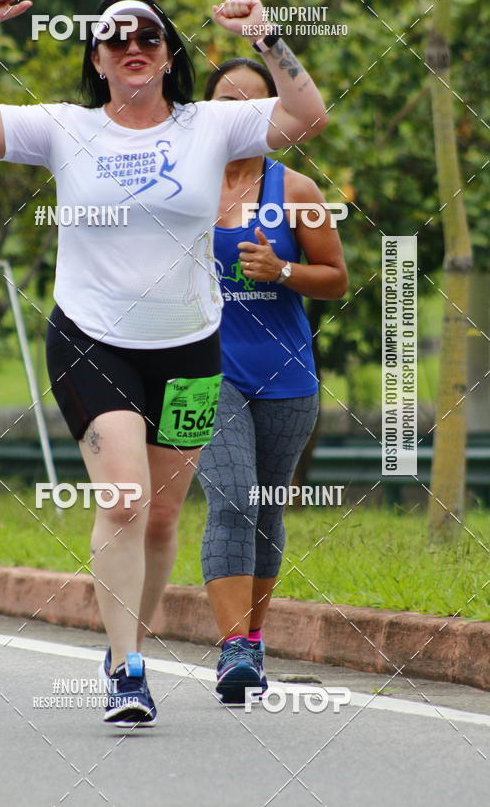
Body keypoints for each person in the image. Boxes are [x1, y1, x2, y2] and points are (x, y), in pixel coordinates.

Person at [0, 0, 329, 726]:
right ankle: (124, 670)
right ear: (98, 58)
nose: (134, 48)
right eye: (117, 38)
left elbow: (307, 116)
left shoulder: (211, 125)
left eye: (148, 36)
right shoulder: (66, 129)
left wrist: (267, 38)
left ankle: (133, 646)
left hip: (188, 350)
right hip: (91, 339)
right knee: (122, 499)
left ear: (167, 53)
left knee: (159, 519)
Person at [197, 58, 348, 704]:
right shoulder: (180, 187)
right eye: (228, 104)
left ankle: (252, 643)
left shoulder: (299, 191)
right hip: (201, 372)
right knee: (231, 499)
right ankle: (233, 648)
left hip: (286, 375)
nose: (242, 117)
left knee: (264, 510)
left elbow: (337, 278)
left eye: (257, 106)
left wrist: (283, 270)